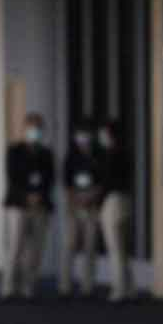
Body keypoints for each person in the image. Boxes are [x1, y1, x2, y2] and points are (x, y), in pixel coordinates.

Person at [0, 112, 55, 300]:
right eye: (31, 128)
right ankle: (8, 288)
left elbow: (50, 179)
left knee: (36, 249)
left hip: (41, 206)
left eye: (38, 128)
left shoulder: (46, 154)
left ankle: (28, 287)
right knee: (15, 246)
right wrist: (27, 196)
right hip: (18, 204)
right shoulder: (14, 151)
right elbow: (13, 177)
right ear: (24, 129)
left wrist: (39, 197)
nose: (35, 132)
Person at [58, 118, 102, 298]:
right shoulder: (71, 157)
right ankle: (65, 286)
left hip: (92, 205)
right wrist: (74, 198)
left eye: (86, 135)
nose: (83, 138)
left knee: (90, 246)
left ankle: (88, 286)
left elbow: (102, 181)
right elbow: (65, 182)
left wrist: (91, 196)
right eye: (80, 135)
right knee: (69, 245)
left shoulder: (98, 156)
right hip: (74, 206)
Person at [96, 119, 134, 303]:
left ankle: (119, 289)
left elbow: (107, 182)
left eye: (103, 133)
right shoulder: (126, 153)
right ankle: (129, 287)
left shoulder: (111, 155)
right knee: (124, 248)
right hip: (126, 200)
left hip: (112, 201)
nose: (101, 137)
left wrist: (98, 201)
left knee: (115, 248)